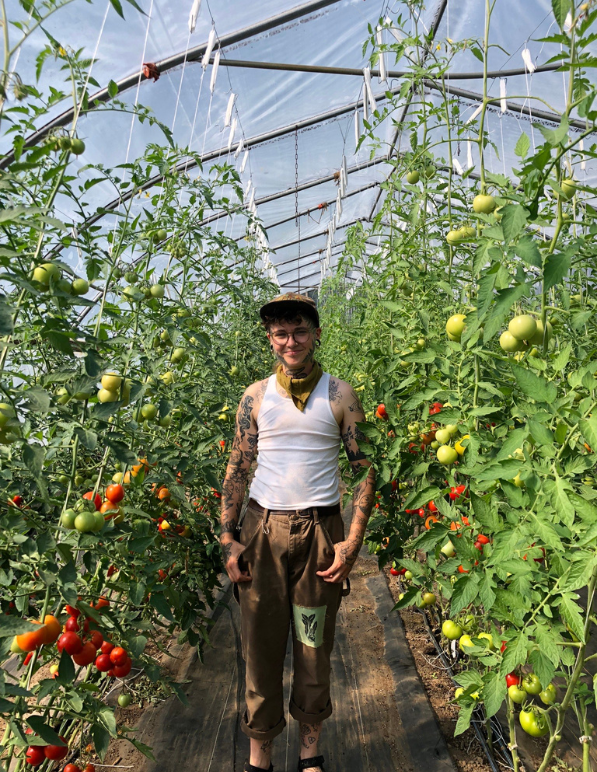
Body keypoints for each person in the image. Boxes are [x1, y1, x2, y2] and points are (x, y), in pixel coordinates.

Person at [220, 292, 376, 772]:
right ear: (270, 340)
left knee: (313, 647)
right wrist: (229, 538)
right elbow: (239, 467)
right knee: (261, 647)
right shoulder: (256, 396)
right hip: (263, 532)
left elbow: (364, 469)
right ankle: (260, 753)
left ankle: (310, 753)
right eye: (281, 333)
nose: (291, 341)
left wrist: (352, 542)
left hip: (319, 536)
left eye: (300, 331)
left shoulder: (340, 395)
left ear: (316, 333)